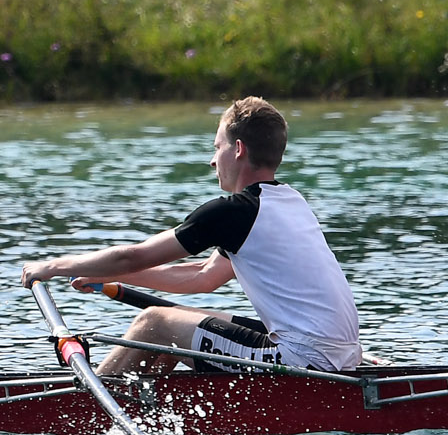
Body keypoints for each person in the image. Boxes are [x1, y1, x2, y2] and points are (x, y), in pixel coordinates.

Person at [20, 96, 363, 378]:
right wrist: (108, 275)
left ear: (238, 149)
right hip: (339, 356)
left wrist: (52, 267)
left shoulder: (232, 212)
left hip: (303, 363)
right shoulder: (289, 202)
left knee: (154, 321)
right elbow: (202, 276)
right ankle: (149, 403)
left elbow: (133, 256)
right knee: (179, 324)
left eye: (218, 147)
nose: (213, 161)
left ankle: (85, 409)